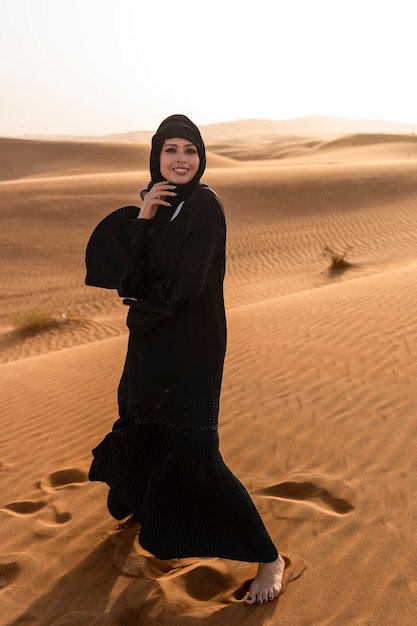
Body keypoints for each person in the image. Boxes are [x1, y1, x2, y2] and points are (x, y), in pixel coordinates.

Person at [85, 114, 285, 605]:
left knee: (194, 446)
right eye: (170, 150)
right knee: (142, 420)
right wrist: (145, 219)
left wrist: (141, 300)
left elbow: (187, 285)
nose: (181, 160)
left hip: (190, 342)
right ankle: (140, 504)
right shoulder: (163, 203)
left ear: (201, 158)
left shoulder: (205, 205)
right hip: (151, 339)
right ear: (156, 156)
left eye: (190, 151)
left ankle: (267, 557)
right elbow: (130, 275)